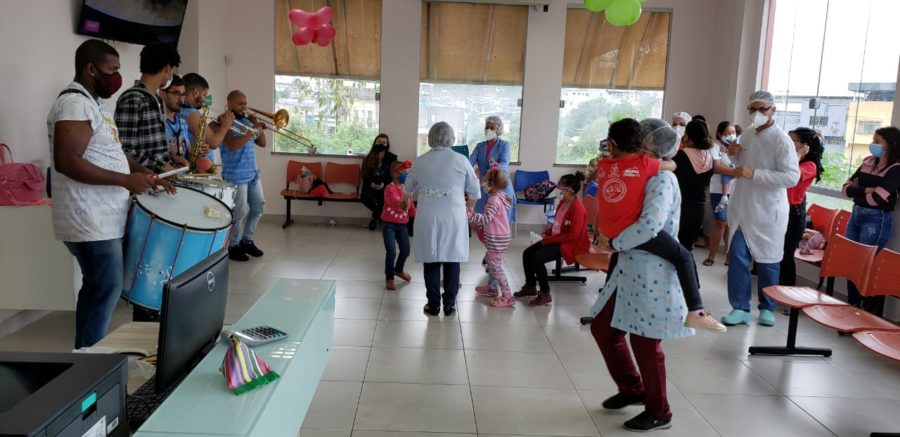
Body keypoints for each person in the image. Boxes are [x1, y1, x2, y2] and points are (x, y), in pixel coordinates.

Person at [48, 40, 171, 348]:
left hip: (102, 218)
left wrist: (142, 172)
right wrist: (124, 181)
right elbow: (67, 161)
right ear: (91, 69)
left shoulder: (95, 104)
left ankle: (89, 359)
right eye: (112, 69)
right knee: (103, 287)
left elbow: (112, 152)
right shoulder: (74, 103)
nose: (117, 76)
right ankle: (88, 364)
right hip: (88, 218)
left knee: (102, 287)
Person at [588, 118, 694, 433]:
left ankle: (659, 411)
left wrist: (615, 242)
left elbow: (651, 226)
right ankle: (633, 388)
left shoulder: (662, 180)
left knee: (646, 342)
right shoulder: (644, 172)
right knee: (604, 329)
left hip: (652, 270)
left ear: (649, 144)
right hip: (628, 267)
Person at [594, 118, 724, 332]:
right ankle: (697, 310)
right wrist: (617, 244)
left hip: (618, 233)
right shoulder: (651, 169)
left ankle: (695, 311)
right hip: (634, 236)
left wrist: (613, 241)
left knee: (628, 334)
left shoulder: (605, 165)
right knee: (684, 256)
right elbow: (650, 225)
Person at [722, 91, 800, 327]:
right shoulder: (746, 134)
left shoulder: (782, 140)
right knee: (737, 258)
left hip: (768, 212)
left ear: (773, 110)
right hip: (743, 208)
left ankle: (767, 307)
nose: (757, 113)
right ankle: (740, 307)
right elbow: (741, 165)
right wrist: (733, 156)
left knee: (768, 260)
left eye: (762, 109)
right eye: (752, 109)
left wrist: (754, 174)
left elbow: (791, 177)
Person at [406, 122, 481, 317]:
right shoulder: (461, 160)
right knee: (452, 260)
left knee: (430, 260)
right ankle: (449, 304)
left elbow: (408, 189)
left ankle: (433, 304)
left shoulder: (420, 161)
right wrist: (470, 207)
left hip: (428, 216)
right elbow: (474, 190)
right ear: (451, 138)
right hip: (454, 216)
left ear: (431, 137)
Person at [841, 126, 900, 317]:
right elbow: (845, 188)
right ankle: (853, 305)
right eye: (873, 139)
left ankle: (866, 310)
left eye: (878, 141)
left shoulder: (895, 168)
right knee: (851, 259)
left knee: (868, 262)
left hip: (877, 218)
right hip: (857, 213)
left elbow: (878, 198)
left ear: (891, 145)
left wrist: (859, 191)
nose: (873, 144)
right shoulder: (868, 162)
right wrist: (866, 190)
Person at [515, 172, 589, 307]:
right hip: (556, 239)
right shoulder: (563, 203)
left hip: (569, 244)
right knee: (527, 253)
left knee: (537, 258)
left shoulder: (578, 209)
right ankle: (531, 287)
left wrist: (549, 239)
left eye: (560, 187)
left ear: (569, 190)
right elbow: (557, 223)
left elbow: (574, 235)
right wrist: (548, 232)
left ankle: (545, 294)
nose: (558, 189)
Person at [115, 43, 181, 174]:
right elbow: (124, 151)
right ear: (167, 68)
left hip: (157, 183)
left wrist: (171, 157)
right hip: (140, 184)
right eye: (171, 69)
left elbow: (152, 147)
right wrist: (160, 166)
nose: (170, 76)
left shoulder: (157, 100)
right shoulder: (133, 98)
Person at [220, 90, 266, 262]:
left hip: (252, 172)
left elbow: (262, 143)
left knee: (259, 206)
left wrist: (257, 127)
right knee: (239, 213)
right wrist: (250, 132)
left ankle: (246, 241)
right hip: (235, 175)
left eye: (245, 103)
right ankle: (233, 246)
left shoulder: (247, 121)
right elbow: (232, 146)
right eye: (240, 104)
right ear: (230, 103)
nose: (244, 107)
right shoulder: (223, 122)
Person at [780, 128, 825, 291]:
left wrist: (797, 156)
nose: (789, 143)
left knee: (786, 255)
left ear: (805, 146)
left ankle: (787, 295)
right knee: (776, 252)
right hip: (780, 210)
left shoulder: (809, 165)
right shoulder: (792, 160)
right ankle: (774, 289)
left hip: (794, 215)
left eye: (793, 141)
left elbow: (792, 177)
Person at [467, 166, 514, 308]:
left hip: (497, 238)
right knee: (490, 261)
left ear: (491, 184)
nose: (483, 183)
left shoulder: (494, 200)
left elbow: (485, 219)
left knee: (496, 267)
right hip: (500, 236)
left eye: (485, 180)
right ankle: (492, 288)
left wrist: (469, 214)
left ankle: (508, 296)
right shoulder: (499, 196)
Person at [672, 120, 715, 251]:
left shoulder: (679, 156)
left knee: (674, 248)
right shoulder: (709, 157)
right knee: (686, 248)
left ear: (687, 134)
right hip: (699, 208)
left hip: (679, 207)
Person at [470, 115, 517, 224]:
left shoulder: (504, 145)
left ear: (498, 130)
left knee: (500, 220)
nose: (488, 130)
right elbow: (470, 161)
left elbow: (504, 164)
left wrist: (493, 169)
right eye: (487, 127)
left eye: (492, 128)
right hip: (485, 186)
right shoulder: (479, 146)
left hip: (500, 184)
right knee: (483, 217)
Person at [704, 121, 738, 266]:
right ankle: (711, 256)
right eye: (727, 133)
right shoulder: (715, 147)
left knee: (732, 225)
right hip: (718, 190)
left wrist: (737, 171)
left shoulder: (737, 148)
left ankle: (729, 257)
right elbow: (717, 168)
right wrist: (738, 172)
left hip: (735, 190)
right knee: (720, 222)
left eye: (733, 133)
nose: (730, 136)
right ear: (719, 134)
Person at [180, 72, 234, 161]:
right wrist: (225, 126)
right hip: (198, 168)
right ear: (195, 92)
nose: (204, 99)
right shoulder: (191, 113)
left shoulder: (182, 110)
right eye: (204, 95)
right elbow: (213, 143)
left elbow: (200, 136)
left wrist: (217, 125)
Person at [381, 160, 415, 291]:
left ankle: (398, 270)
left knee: (405, 250)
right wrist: (401, 204)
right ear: (395, 174)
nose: (407, 176)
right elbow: (393, 201)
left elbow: (411, 208)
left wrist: (421, 217)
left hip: (402, 226)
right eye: (404, 173)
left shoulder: (407, 190)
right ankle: (389, 278)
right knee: (391, 252)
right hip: (389, 225)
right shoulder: (389, 189)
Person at [360, 134, 398, 230]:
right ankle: (378, 214)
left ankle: (375, 216)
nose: (381, 144)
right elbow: (364, 173)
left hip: (385, 184)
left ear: (387, 145)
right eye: (379, 142)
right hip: (371, 184)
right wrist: (371, 183)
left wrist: (383, 183)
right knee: (365, 198)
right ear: (375, 143)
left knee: (384, 199)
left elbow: (393, 174)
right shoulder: (368, 157)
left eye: (384, 142)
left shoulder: (392, 158)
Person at [159, 74, 191, 167]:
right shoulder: (157, 121)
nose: (181, 99)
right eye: (177, 94)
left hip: (183, 175)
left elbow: (188, 150)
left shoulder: (183, 122)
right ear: (163, 94)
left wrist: (199, 153)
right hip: (165, 176)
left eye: (183, 94)